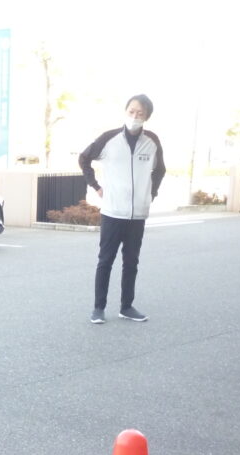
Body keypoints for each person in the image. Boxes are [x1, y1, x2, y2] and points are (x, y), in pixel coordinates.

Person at [80, 94, 166, 324]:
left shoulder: (152, 141)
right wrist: (95, 186)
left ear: (147, 117)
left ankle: (126, 307)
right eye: (131, 111)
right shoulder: (109, 138)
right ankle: (98, 308)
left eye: (140, 113)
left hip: (137, 214)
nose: (135, 116)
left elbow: (160, 170)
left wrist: (151, 193)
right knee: (105, 261)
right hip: (113, 211)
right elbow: (84, 158)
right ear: (125, 111)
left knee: (131, 262)